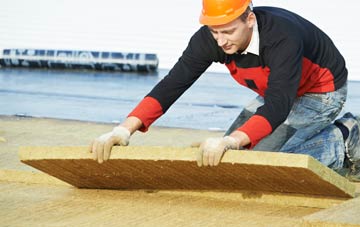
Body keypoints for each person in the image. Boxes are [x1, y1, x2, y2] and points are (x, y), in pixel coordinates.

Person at [89, 0, 360, 181]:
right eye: (214, 32)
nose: (220, 41)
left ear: (250, 19)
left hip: (320, 92)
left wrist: (231, 140)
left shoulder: (282, 37)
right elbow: (171, 85)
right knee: (231, 163)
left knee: (269, 169)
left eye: (228, 31)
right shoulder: (211, 38)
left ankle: (344, 135)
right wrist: (122, 130)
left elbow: (278, 105)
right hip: (275, 90)